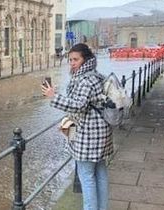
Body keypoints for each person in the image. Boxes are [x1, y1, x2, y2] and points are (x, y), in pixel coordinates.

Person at [42, 43, 113, 210]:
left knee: (86, 177)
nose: (72, 63)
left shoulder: (85, 79)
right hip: (101, 132)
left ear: (85, 59)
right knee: (100, 173)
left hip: (88, 134)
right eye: (70, 59)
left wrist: (54, 96)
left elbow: (79, 105)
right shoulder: (96, 75)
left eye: (76, 59)